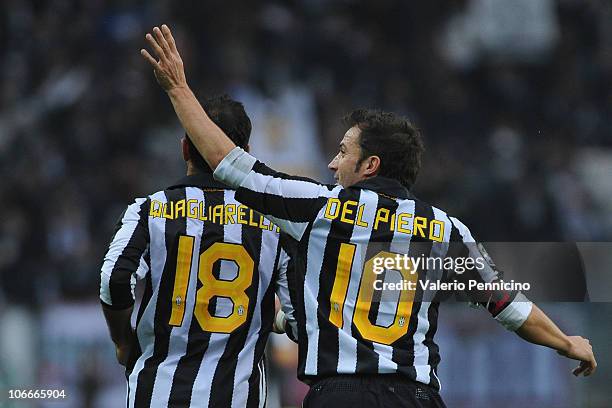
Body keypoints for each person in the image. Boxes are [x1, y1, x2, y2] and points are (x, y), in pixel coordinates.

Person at [140, 25, 596, 408]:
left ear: (370, 165)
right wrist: (566, 342)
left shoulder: (321, 208)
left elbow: (229, 164)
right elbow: (509, 307)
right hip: (414, 397)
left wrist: (179, 89)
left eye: (342, 152)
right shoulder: (445, 231)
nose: (333, 164)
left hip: (339, 395)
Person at [100, 94, 296, 408]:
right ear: (244, 154)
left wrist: (123, 340)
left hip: (157, 395)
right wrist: (270, 318)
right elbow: (300, 315)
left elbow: (114, 278)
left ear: (185, 148)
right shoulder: (273, 222)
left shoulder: (151, 210)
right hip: (236, 397)